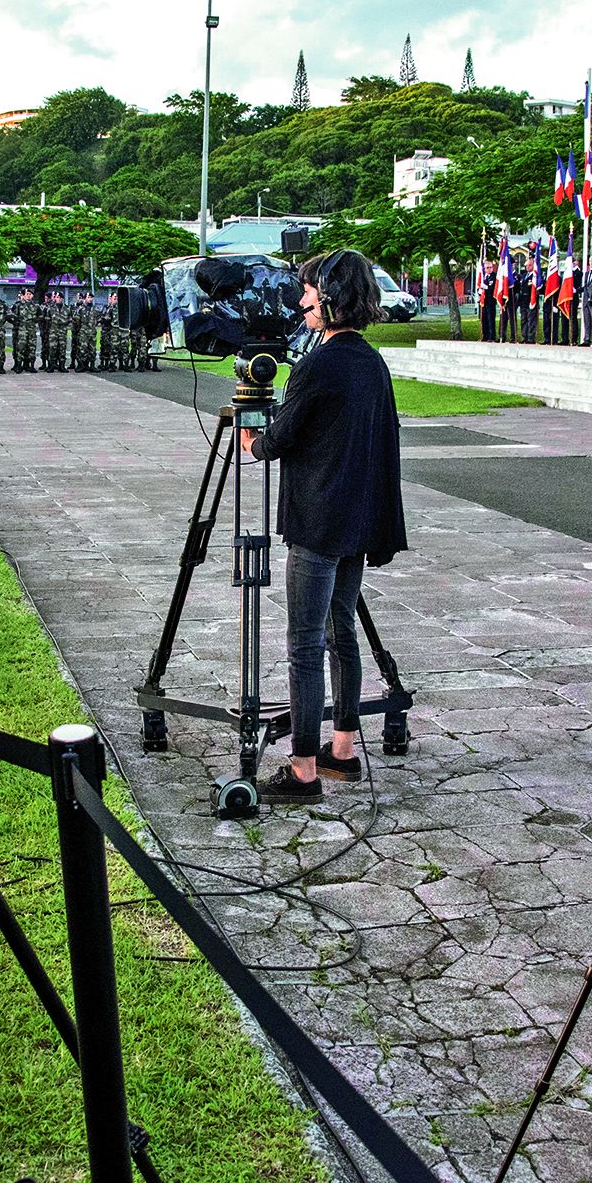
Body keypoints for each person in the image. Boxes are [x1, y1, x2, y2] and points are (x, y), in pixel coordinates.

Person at [237, 250, 407, 805]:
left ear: (330, 298)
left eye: (309, 291)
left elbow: (281, 437)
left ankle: (304, 770)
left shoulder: (318, 364)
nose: (302, 300)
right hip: (357, 522)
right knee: (341, 634)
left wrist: (251, 443)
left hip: (317, 522)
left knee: (305, 644)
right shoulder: (372, 362)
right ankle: (343, 750)